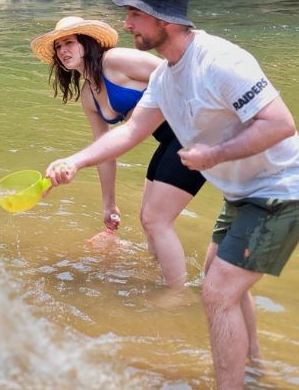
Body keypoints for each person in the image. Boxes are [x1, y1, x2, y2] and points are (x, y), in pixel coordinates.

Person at [44, 0, 299, 389]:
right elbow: (128, 132)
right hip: (241, 193)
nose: (127, 25)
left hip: (283, 191)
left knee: (216, 292)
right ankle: (254, 370)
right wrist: (75, 161)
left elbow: (281, 124)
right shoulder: (163, 77)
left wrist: (213, 154)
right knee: (220, 278)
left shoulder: (220, 61)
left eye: (135, 15)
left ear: (165, 20)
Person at [31, 16, 205, 290]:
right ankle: (163, 276)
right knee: (148, 220)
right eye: (58, 47)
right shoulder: (89, 95)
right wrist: (108, 205)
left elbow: (178, 71)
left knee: (155, 219)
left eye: (69, 43)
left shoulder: (116, 60)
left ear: (87, 44)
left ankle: (176, 294)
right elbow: (105, 152)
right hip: (169, 141)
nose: (63, 50)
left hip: (195, 133)